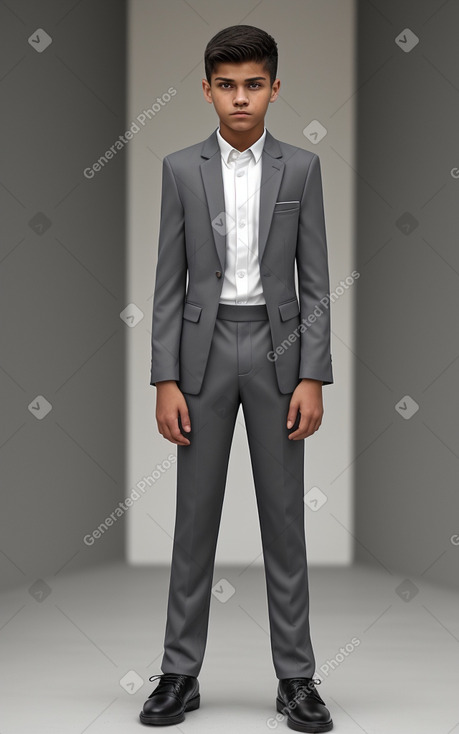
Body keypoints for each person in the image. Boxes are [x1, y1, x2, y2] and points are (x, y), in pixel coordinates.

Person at [140, 24, 334, 733]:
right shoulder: (179, 169)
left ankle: (296, 680)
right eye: (226, 85)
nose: (240, 98)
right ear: (206, 90)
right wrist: (165, 377)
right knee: (194, 519)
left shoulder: (303, 169)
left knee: (284, 522)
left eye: (253, 84)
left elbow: (314, 282)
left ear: (274, 89)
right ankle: (178, 673)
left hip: (280, 350)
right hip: (203, 352)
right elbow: (167, 283)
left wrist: (313, 373)